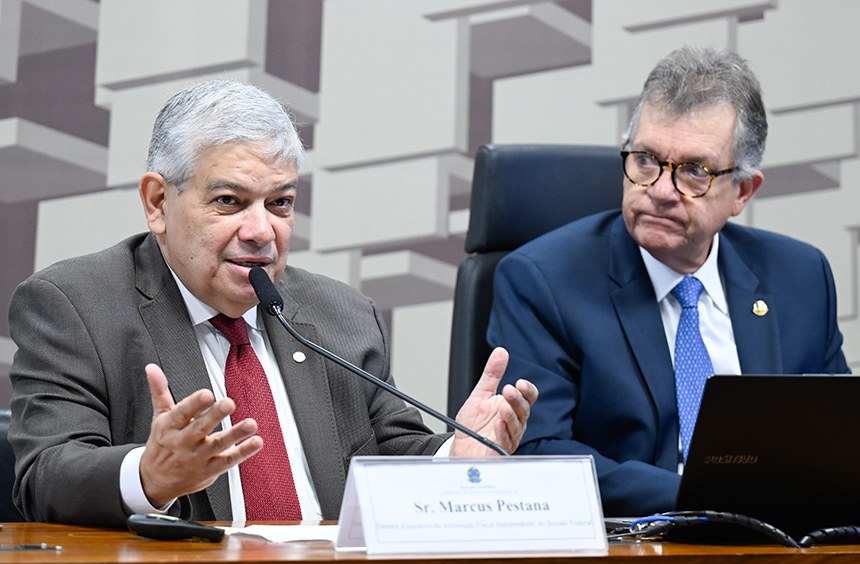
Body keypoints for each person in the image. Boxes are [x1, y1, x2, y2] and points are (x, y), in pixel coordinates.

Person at [8, 79, 538, 527]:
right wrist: (150, 475)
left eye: (280, 203)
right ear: (157, 203)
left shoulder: (342, 314)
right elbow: (45, 477)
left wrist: (454, 460)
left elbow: (392, 456)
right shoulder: (74, 305)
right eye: (229, 202)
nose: (262, 231)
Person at [488, 46, 850, 517]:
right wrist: (706, 499)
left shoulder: (799, 276)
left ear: (743, 191)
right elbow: (538, 453)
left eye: (695, 171)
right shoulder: (542, 281)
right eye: (646, 160)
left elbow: (839, 443)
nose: (660, 191)